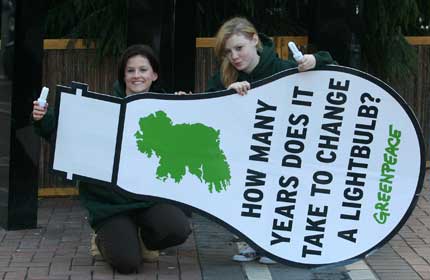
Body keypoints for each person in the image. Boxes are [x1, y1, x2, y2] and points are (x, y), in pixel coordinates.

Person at [32, 44, 192, 274]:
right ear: (123, 76)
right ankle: (102, 240)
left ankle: (144, 239)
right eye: (130, 70)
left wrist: (188, 110)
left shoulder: (169, 108)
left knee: (177, 229)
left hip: (149, 200)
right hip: (111, 205)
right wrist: (43, 118)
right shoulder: (103, 108)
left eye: (143, 70)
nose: (137, 75)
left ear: (154, 75)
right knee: (127, 264)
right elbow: (66, 133)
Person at [207, 17, 335, 264]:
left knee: (280, 198)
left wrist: (315, 61)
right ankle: (253, 243)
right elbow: (209, 103)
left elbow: (332, 66)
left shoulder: (282, 69)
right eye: (228, 51)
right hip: (246, 156)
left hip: (286, 155)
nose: (234, 56)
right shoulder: (226, 76)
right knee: (248, 197)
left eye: (239, 48)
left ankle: (277, 246)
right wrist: (228, 93)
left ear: (255, 40)